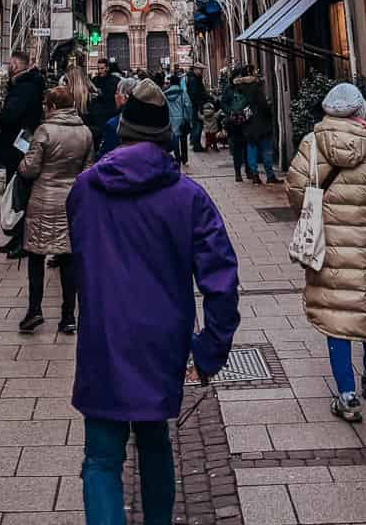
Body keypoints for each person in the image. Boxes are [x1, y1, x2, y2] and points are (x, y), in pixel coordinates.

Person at [68, 79, 240, 525]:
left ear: (121, 130)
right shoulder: (189, 198)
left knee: (102, 458)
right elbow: (221, 281)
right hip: (162, 341)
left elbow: (78, 255)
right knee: (154, 442)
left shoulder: (86, 189)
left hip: (104, 338)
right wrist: (209, 351)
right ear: (166, 137)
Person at [286, 82, 366, 423]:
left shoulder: (311, 144)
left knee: (336, 318)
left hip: (329, 248)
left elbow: (295, 191)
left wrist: (319, 214)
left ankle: (347, 395)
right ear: (360, 112)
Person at [16, 84, 93, 335]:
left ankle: (34, 311)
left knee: (36, 256)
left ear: (51, 107)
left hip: (44, 200)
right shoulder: (85, 132)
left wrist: (22, 159)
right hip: (72, 202)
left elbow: (30, 169)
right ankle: (69, 316)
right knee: (68, 257)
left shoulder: (44, 131)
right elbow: (88, 170)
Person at [0, 49, 46, 258]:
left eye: (10, 63)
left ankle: (22, 240)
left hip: (18, 146)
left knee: (19, 192)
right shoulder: (28, 85)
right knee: (16, 189)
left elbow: (11, 116)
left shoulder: (23, 88)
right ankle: (17, 237)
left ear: (16, 66)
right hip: (22, 143)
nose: (8, 66)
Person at [235, 66, 280, 185]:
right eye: (255, 71)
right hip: (262, 124)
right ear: (250, 74)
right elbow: (264, 106)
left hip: (248, 125)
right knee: (266, 149)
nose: (257, 73)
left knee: (251, 149)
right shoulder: (256, 88)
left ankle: (254, 175)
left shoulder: (239, 89)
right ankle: (270, 175)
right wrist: (269, 112)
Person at [219, 66, 251, 184]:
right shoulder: (229, 89)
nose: (238, 78)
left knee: (248, 147)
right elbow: (223, 103)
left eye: (240, 76)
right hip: (234, 123)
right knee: (237, 148)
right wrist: (230, 112)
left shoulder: (246, 88)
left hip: (247, 122)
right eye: (236, 76)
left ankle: (249, 170)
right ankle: (237, 172)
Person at [86, 57, 120, 150]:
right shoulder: (95, 80)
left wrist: (100, 94)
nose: (100, 71)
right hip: (97, 116)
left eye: (102, 68)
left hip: (109, 113)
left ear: (107, 68)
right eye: (98, 68)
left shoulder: (114, 80)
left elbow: (112, 96)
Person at [99, 76, 138, 156]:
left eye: (117, 93)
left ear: (124, 97)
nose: (115, 96)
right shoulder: (147, 120)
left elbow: (105, 157)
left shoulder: (114, 125)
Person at [163, 68, 192, 166]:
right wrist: (189, 117)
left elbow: (164, 108)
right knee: (183, 139)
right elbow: (188, 106)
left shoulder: (165, 94)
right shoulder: (182, 93)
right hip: (182, 119)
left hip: (171, 120)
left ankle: (177, 157)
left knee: (174, 138)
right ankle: (184, 158)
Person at [185, 63, 207, 152]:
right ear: (196, 69)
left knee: (196, 124)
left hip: (196, 105)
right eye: (200, 70)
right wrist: (199, 105)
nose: (202, 72)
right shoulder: (194, 79)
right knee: (198, 125)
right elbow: (194, 94)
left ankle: (195, 143)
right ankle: (196, 145)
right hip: (196, 106)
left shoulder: (194, 78)